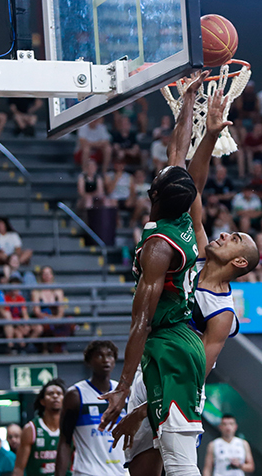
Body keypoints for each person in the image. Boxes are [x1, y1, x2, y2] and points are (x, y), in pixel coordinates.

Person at [106, 92, 259, 476]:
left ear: (239, 262)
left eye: (236, 237)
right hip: (153, 355)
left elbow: (195, 376)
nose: (226, 235)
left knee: (176, 462)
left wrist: (140, 408)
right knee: (138, 464)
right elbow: (190, 176)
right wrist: (203, 127)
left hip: (177, 364)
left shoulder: (222, 314)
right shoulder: (196, 241)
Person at [93, 71, 210, 476]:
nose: (159, 170)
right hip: (173, 340)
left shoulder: (160, 247)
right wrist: (189, 104)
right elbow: (178, 155)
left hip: (170, 343)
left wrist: (122, 388)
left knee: (178, 462)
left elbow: (141, 321)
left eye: (157, 177)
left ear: (155, 195)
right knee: (144, 458)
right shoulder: (181, 217)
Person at [55, 341, 125, 476]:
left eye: (110, 355)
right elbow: (64, 441)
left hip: (122, 472)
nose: (105, 360)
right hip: (88, 472)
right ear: (88, 361)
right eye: (99, 356)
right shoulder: (75, 395)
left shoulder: (124, 393)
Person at [13, 379, 66, 476]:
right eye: (50, 394)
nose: (55, 396)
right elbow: (19, 468)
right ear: (42, 401)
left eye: (59, 393)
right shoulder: (31, 429)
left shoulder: (70, 427)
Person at [32, 266, 69, 353]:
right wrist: (49, 318)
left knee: (68, 322)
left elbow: (61, 309)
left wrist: (57, 318)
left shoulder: (58, 291)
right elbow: (36, 311)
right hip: (43, 317)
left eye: (49, 273)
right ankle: (45, 348)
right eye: (44, 274)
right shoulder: (36, 291)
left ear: (52, 275)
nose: (47, 276)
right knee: (46, 325)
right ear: (41, 276)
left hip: (56, 317)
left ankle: (59, 347)